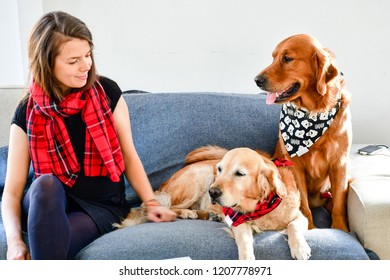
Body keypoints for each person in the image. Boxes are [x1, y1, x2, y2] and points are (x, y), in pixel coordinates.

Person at [1, 11, 176, 260]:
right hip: (46, 203)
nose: (86, 66)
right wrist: (15, 242)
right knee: (45, 184)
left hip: (99, 207)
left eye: (87, 55)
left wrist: (151, 202)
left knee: (51, 247)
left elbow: (128, 155)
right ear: (46, 63)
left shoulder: (106, 92)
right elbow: (12, 192)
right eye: (73, 61)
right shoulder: (27, 111)